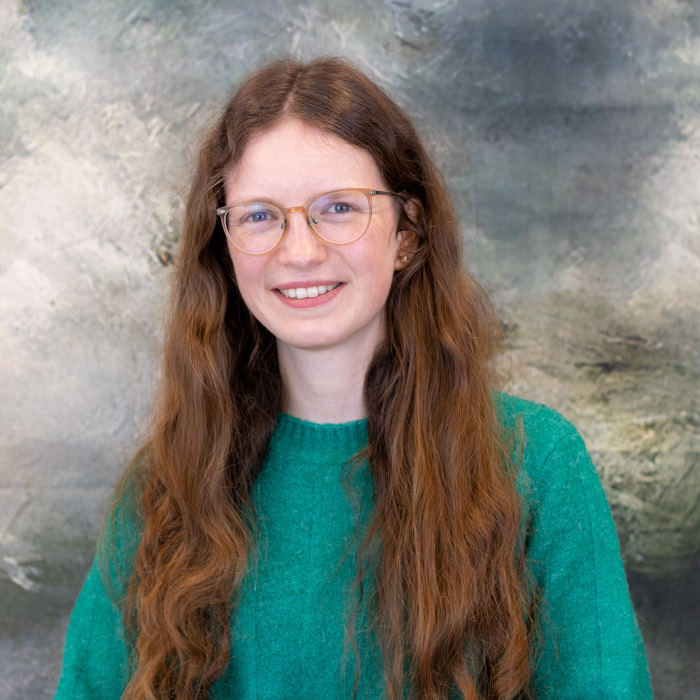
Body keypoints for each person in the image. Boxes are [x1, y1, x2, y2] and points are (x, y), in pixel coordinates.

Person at [55, 57, 653, 700]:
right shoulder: (168, 481)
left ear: (407, 233)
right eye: (259, 216)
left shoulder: (537, 462)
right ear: (224, 249)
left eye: (338, 208)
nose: (299, 251)